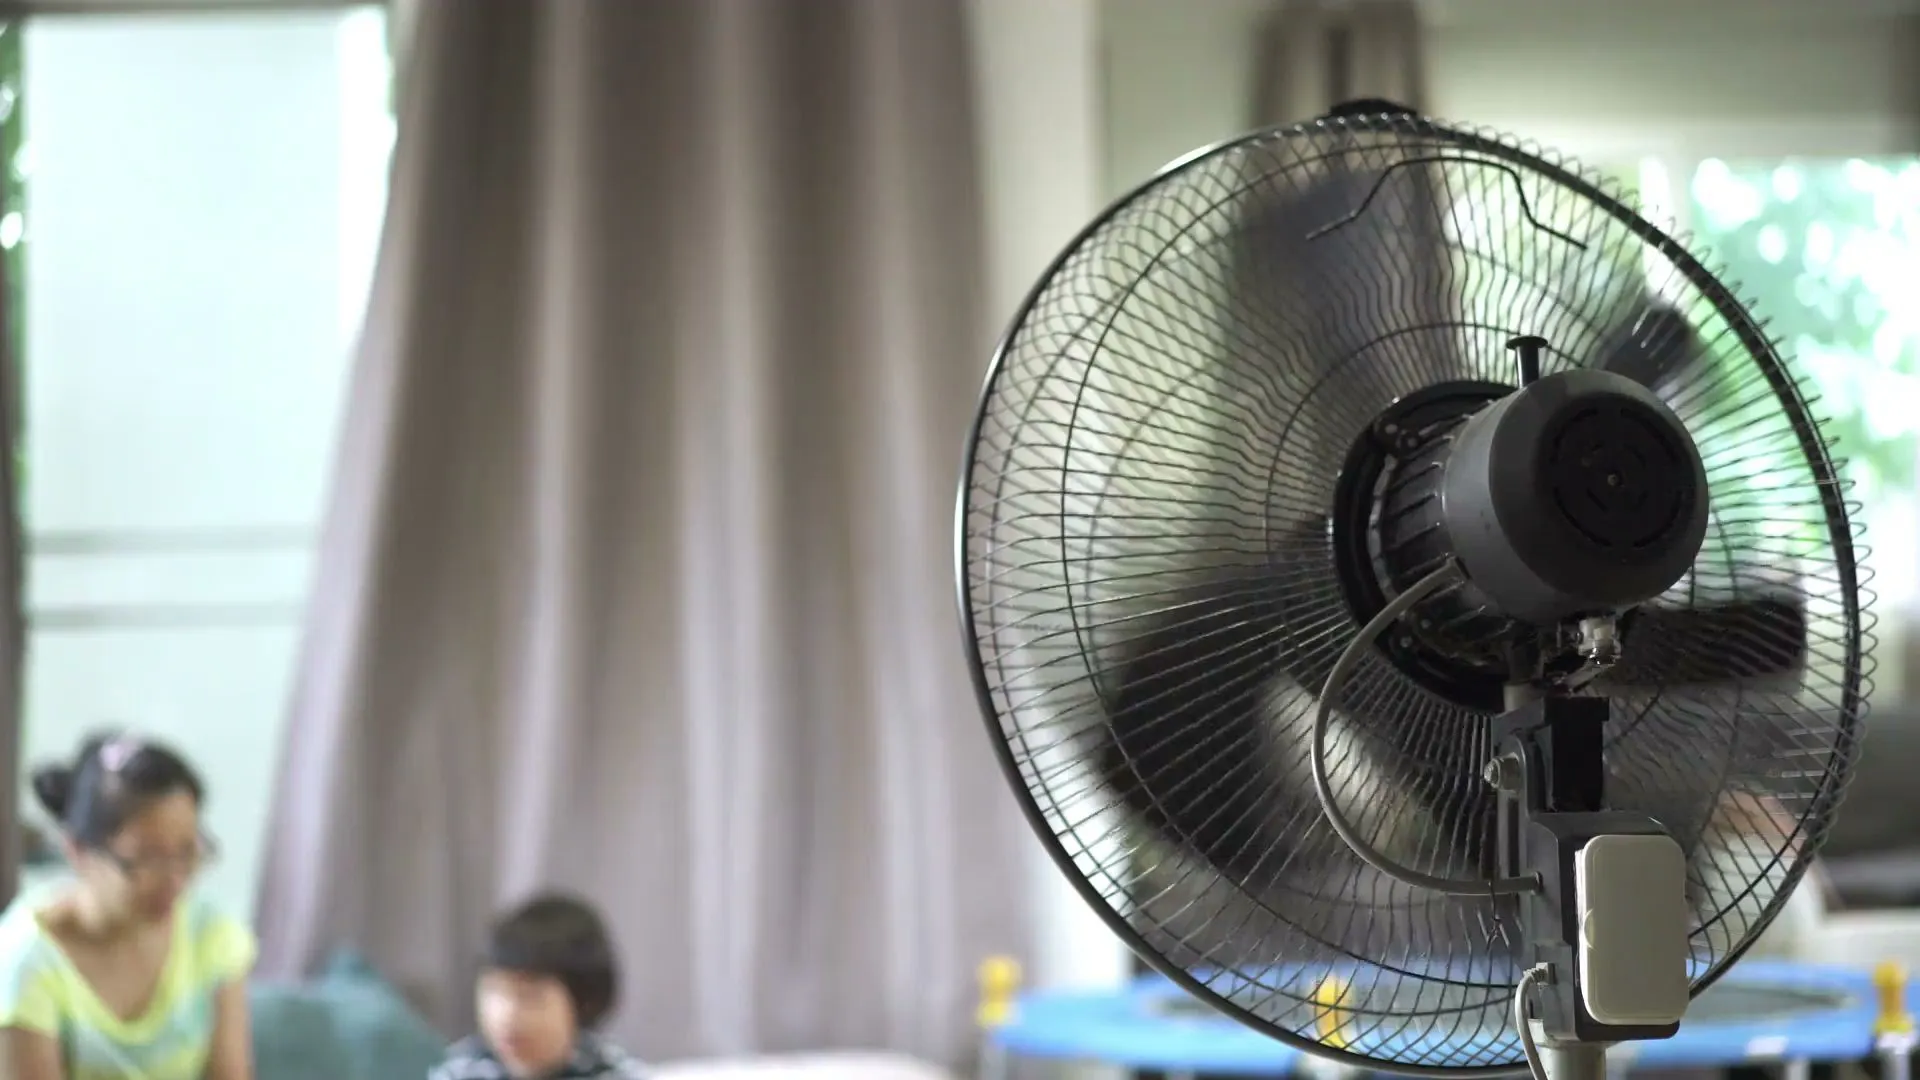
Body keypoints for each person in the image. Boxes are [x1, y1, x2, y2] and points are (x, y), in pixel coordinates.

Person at [0, 732, 254, 1080]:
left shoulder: (209, 932)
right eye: (147, 859)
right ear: (78, 851)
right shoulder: (25, 961)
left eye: (186, 852)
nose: (174, 880)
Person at [430, 893, 648, 1080]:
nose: (506, 1015)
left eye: (530, 996)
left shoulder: (618, 1074)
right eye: (494, 990)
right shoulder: (460, 1070)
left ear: (583, 1001)